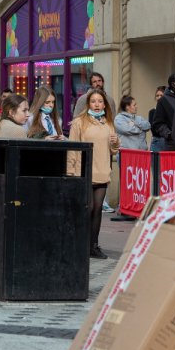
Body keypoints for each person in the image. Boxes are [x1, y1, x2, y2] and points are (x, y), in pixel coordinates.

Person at [68, 89, 119, 259]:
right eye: (93, 101)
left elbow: (113, 151)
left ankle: (93, 246)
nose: (97, 105)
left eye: (100, 102)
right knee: (87, 209)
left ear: (105, 104)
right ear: (88, 104)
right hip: (84, 172)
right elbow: (72, 149)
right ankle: (79, 244)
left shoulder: (108, 123)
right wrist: (72, 172)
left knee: (97, 210)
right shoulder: (79, 123)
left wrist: (115, 143)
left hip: (102, 171)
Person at [148, 85, 167, 152]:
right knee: (155, 162)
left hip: (168, 142)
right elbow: (153, 129)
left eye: (161, 95)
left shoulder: (170, 111)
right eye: (157, 95)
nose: (159, 98)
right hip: (157, 142)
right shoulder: (152, 112)